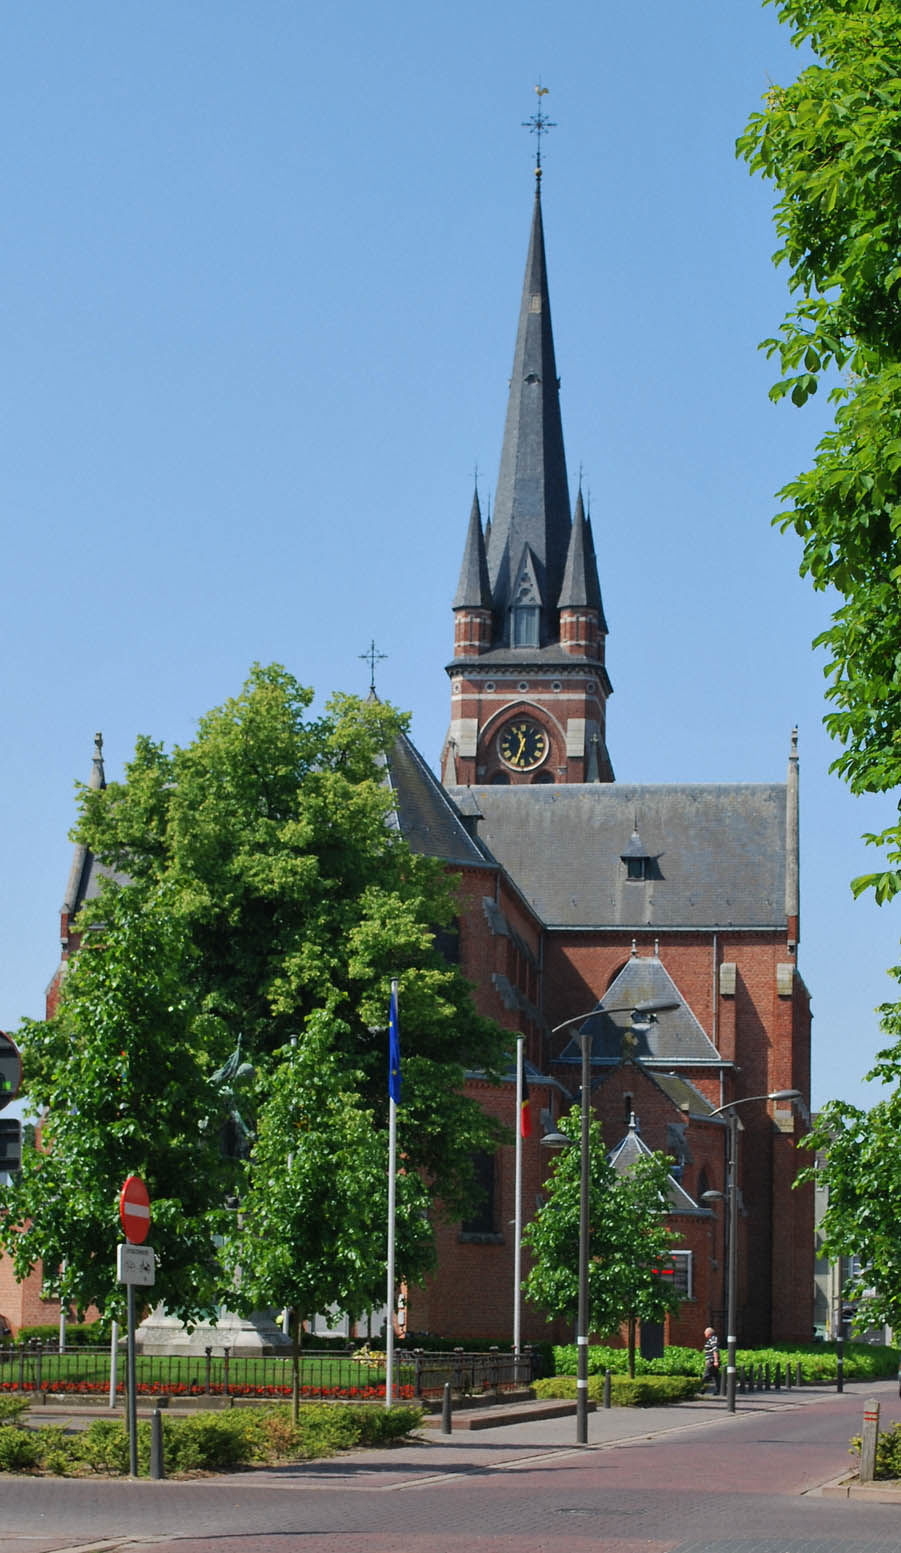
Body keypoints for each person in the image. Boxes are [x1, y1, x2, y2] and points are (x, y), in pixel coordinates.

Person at [702, 1326, 720, 1394]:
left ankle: (701, 1389)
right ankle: (718, 1390)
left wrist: (715, 1361)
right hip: (711, 1361)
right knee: (716, 1376)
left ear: (708, 1333)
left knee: (706, 1376)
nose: (704, 1334)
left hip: (712, 1361)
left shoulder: (713, 1339)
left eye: (705, 1333)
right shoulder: (712, 1339)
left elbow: (715, 1350)